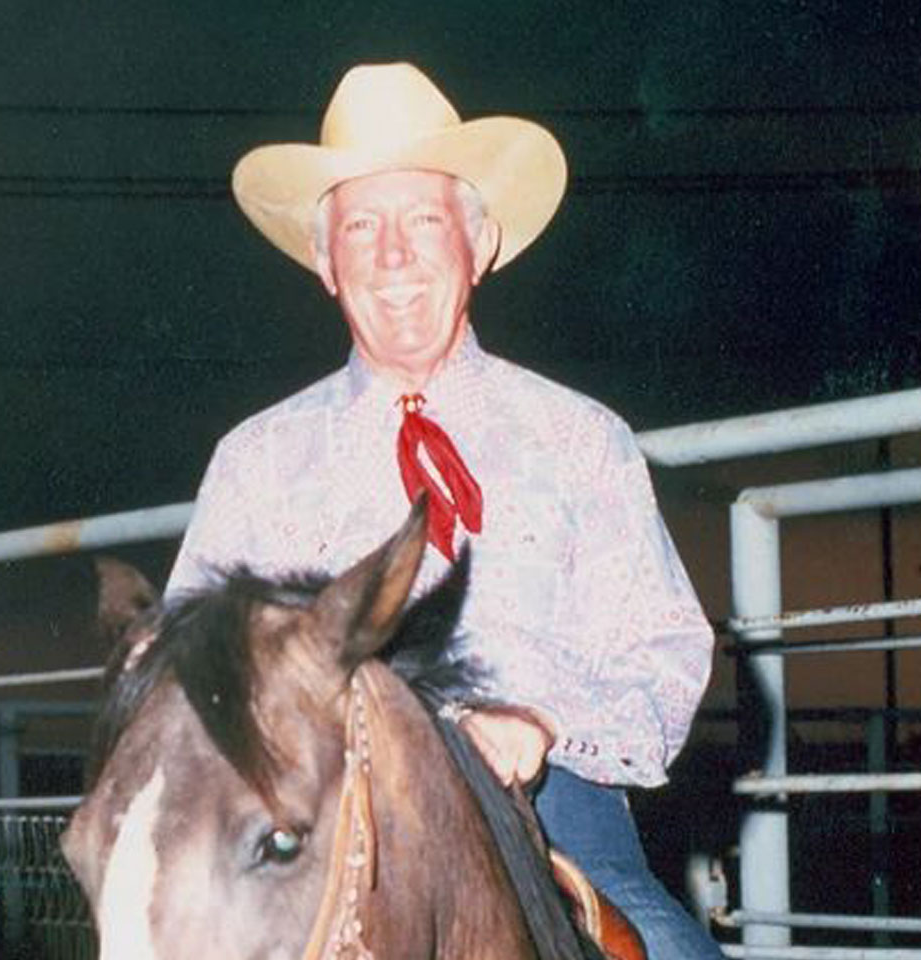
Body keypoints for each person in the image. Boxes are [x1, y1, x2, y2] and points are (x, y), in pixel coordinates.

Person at [166, 63, 724, 959]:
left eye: (424, 221)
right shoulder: (256, 460)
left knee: (668, 952)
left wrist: (543, 726)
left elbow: (665, 650)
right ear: (324, 262)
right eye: (361, 227)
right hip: (319, 835)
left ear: (481, 244)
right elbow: (193, 678)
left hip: (553, 814)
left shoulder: (582, 437)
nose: (392, 257)